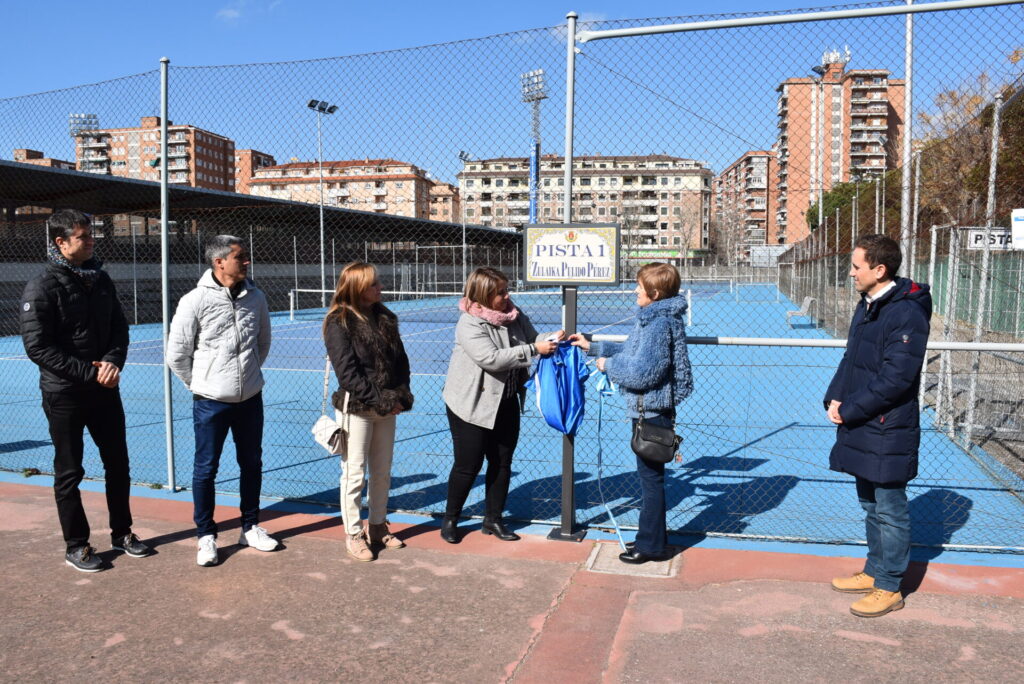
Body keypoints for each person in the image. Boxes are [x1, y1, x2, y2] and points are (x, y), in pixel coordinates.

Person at [20, 209, 152, 572]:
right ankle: (76, 545)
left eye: (91, 234)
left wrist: (112, 362)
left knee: (118, 465)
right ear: (60, 243)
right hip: (65, 394)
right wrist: (89, 373)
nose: (91, 240)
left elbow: (120, 329)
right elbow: (38, 347)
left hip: (104, 390)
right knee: (69, 472)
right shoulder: (42, 286)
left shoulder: (101, 279)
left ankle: (122, 533)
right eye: (82, 236)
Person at [825, 234, 931, 618]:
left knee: (889, 507)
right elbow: (852, 359)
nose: (851, 272)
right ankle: (874, 571)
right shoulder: (868, 304)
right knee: (870, 504)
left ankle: (890, 586)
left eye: (856, 266)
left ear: (879, 270)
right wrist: (834, 398)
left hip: (888, 425)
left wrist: (851, 409)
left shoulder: (906, 312)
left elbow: (896, 379)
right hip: (863, 421)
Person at [570, 262, 693, 565]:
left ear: (653, 292)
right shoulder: (655, 318)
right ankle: (654, 542)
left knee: (651, 483)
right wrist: (594, 347)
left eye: (639, 286)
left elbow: (645, 372)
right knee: (652, 480)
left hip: (650, 413)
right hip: (649, 410)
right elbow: (633, 353)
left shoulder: (659, 323)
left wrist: (607, 366)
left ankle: (650, 546)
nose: (634, 291)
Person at [167, 235, 277, 567]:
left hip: (250, 398)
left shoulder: (256, 298)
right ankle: (206, 536)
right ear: (219, 262)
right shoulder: (193, 301)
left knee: (252, 463)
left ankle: (250, 526)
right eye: (240, 257)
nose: (247, 262)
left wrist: (249, 376)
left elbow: (263, 342)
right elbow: (177, 355)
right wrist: (201, 385)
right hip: (210, 401)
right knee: (206, 469)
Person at [440, 267, 561, 543]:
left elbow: (534, 338)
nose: (507, 296)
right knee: (467, 465)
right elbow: (491, 359)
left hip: (505, 401)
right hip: (470, 404)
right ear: (483, 295)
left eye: (507, 290)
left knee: (502, 462)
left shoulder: (514, 315)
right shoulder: (469, 323)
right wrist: (533, 350)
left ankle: (493, 520)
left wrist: (552, 338)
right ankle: (450, 519)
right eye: (501, 293)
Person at [323, 262, 414, 562]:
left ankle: (377, 527)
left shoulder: (386, 317)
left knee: (382, 472)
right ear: (358, 288)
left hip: (387, 405)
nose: (380, 288)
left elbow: (401, 360)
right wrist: (384, 400)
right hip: (358, 408)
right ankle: (353, 533)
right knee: (354, 473)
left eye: (378, 283)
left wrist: (400, 394)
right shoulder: (339, 322)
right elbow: (347, 375)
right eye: (374, 284)